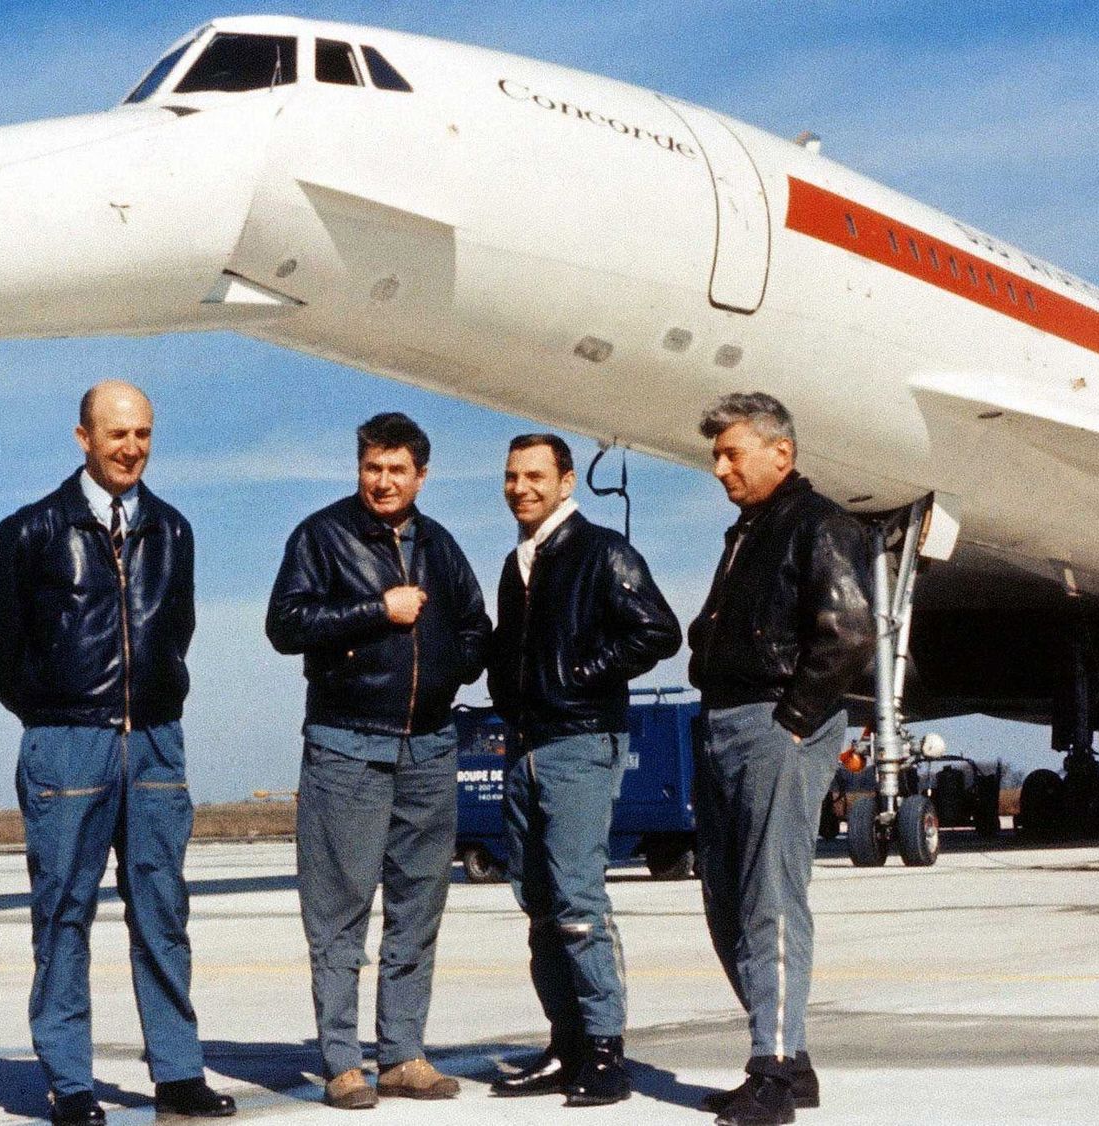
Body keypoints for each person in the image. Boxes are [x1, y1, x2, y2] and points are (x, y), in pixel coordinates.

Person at [0, 381, 234, 1126]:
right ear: (83, 437)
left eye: (143, 434)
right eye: (117, 434)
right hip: (67, 747)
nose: (131, 448)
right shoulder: (31, 532)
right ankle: (71, 1082)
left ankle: (178, 1074)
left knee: (162, 911)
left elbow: (173, 630)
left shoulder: (172, 531)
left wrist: (148, 705)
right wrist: (52, 709)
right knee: (63, 912)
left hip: (152, 743)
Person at [266, 412, 493, 1110]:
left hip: (428, 747)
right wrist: (376, 611)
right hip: (347, 745)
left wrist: (449, 673)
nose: (383, 481)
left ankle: (402, 1054)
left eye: (397, 470)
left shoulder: (441, 545)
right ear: (359, 468)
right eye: (372, 468)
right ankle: (342, 1062)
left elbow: (474, 627)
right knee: (339, 912)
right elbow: (286, 625)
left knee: (419, 906)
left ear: (421, 475)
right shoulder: (321, 537)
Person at [687, 392, 875, 1126]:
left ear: (780, 454)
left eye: (731, 453)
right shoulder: (751, 530)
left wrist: (795, 722)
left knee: (771, 899)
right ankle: (789, 1061)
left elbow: (850, 633)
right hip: (726, 721)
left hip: (776, 724)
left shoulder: (819, 524)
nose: (719, 468)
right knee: (727, 902)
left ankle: (770, 1071)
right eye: (717, 455)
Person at [485, 434, 681, 1105]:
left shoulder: (601, 552)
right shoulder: (520, 564)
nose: (521, 488)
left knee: (576, 898)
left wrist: (581, 673)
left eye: (535, 476)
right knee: (537, 901)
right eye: (512, 477)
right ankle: (565, 1044)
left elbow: (657, 630)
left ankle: (604, 1051)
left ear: (567, 482)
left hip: (580, 741)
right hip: (527, 745)